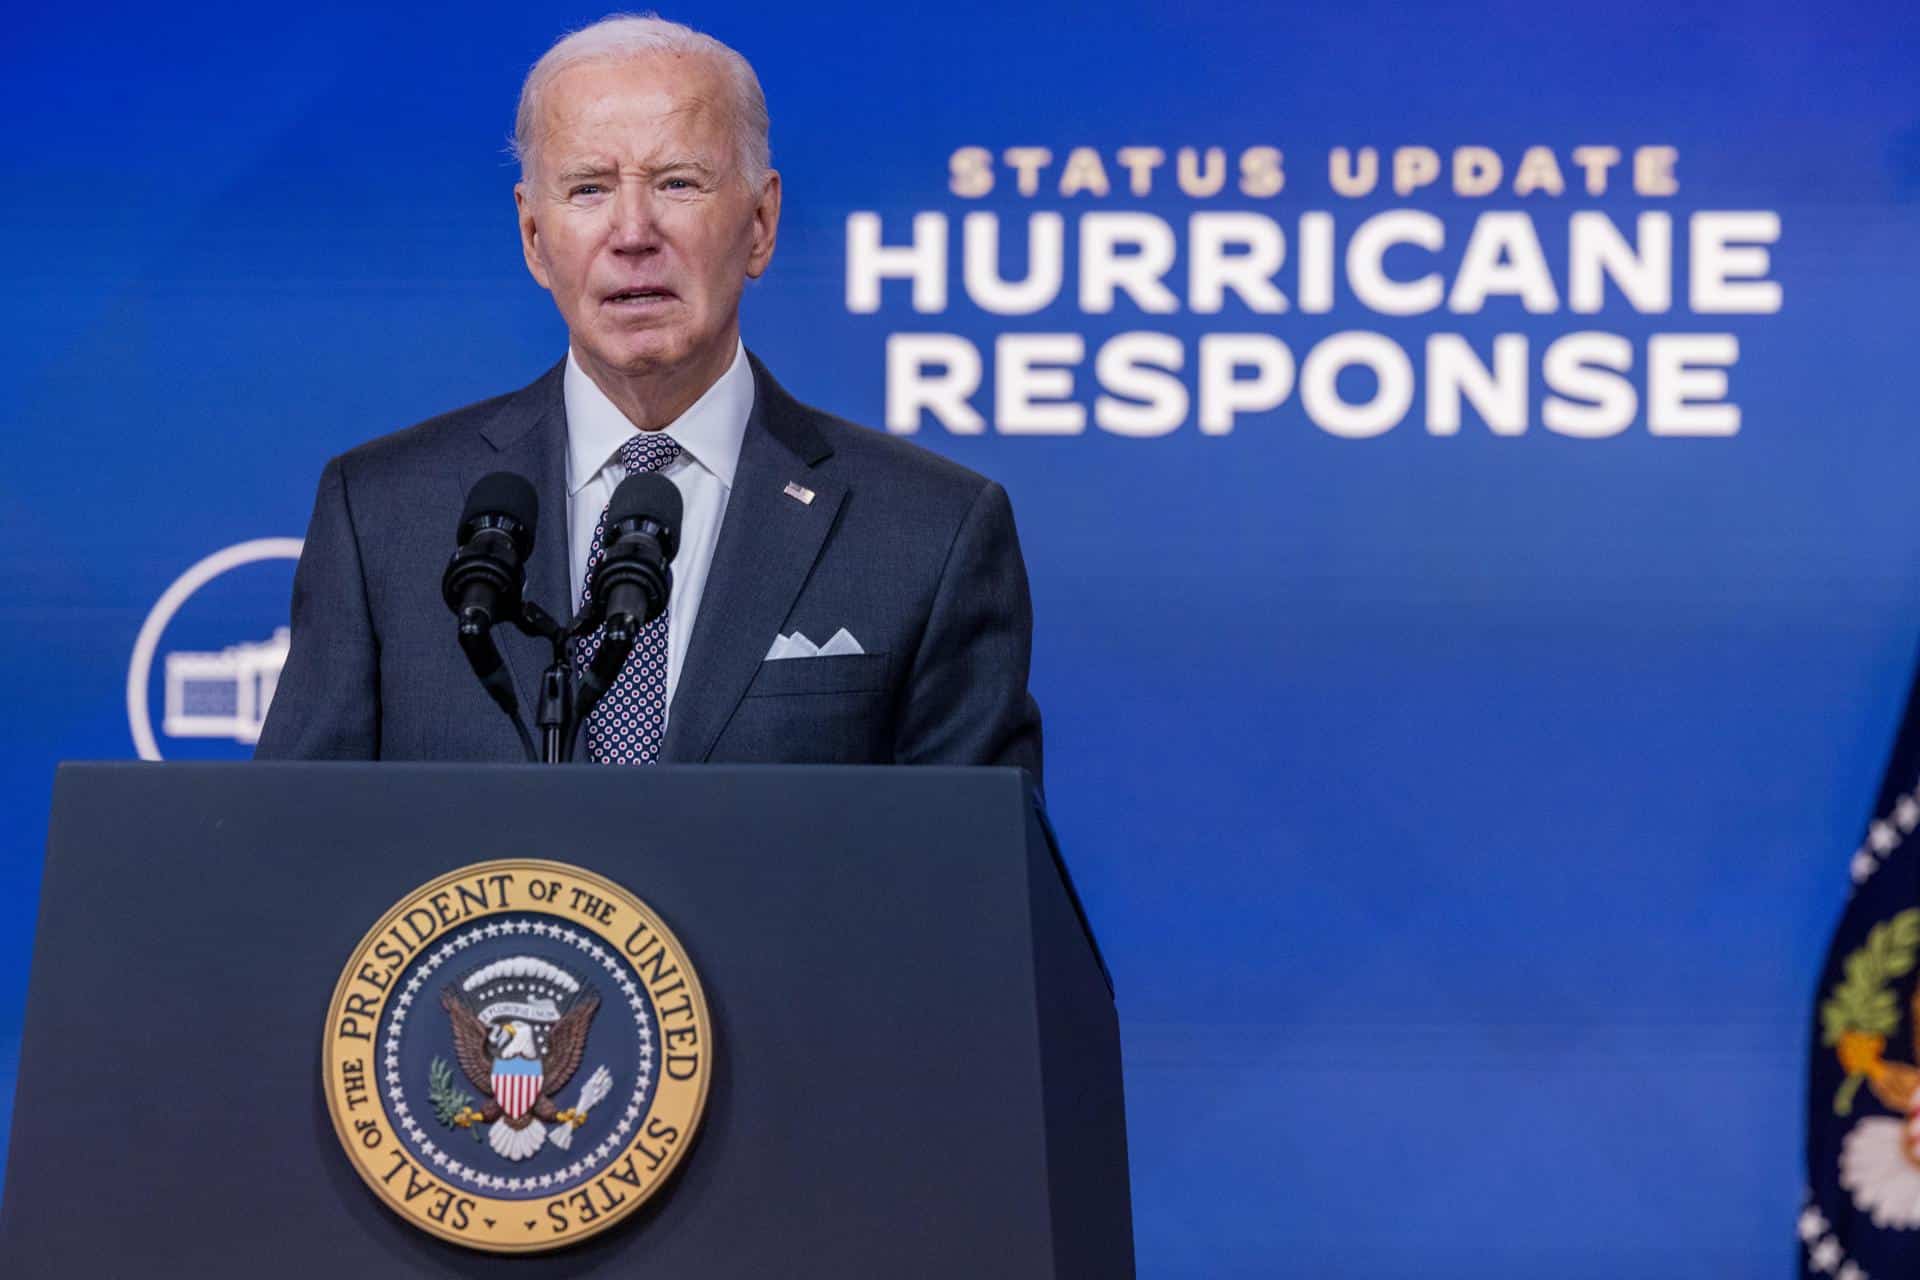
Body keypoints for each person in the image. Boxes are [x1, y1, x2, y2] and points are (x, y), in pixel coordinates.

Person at [254, 14, 1041, 782]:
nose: (633, 231)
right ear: (534, 236)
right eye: (589, 188)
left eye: (677, 182)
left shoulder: (930, 531)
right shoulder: (384, 514)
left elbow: (977, 890)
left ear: (761, 222)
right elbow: (295, 859)